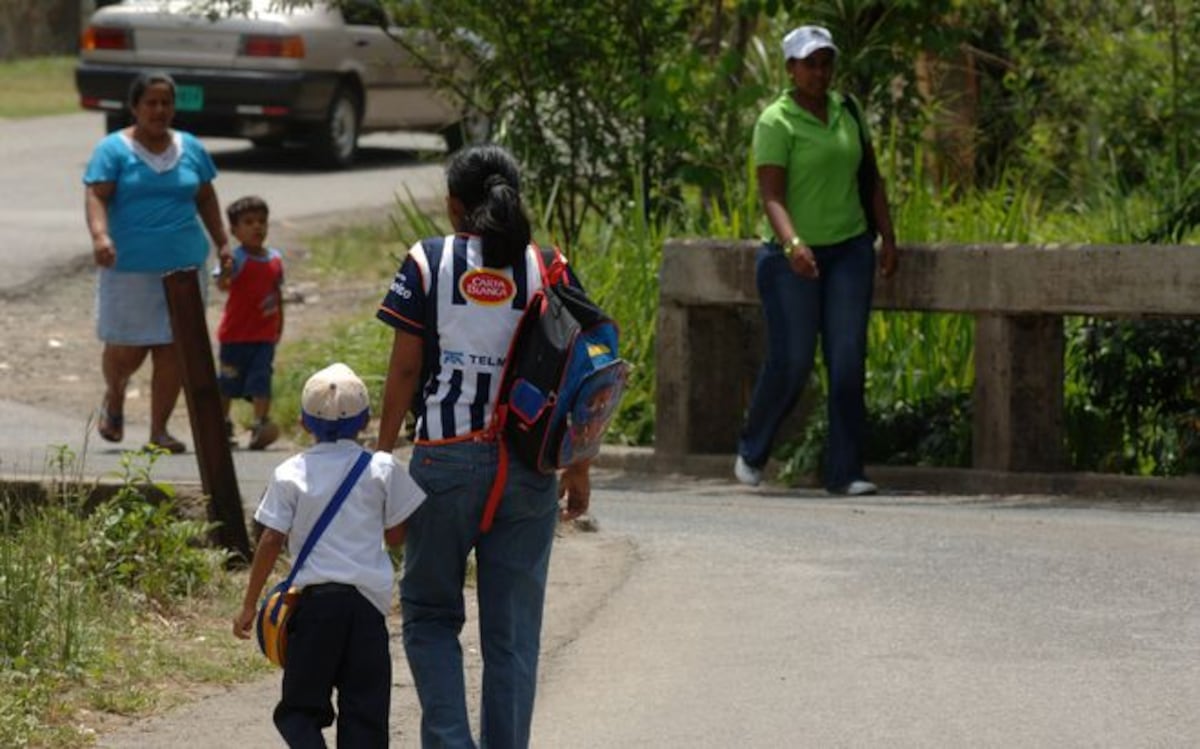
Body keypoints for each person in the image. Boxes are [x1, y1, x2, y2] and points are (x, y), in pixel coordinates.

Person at [376, 144, 591, 748]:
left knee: (429, 615)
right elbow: (580, 370)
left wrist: (381, 458)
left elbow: (403, 371)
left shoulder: (428, 261)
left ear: (453, 207)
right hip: (529, 469)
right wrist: (579, 465)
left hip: (444, 461)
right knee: (514, 636)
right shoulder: (550, 266)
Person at [734, 25, 899, 495]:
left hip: (849, 248)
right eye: (809, 63)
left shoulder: (848, 111)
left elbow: (871, 179)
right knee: (793, 359)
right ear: (790, 68)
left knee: (847, 360)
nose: (819, 72)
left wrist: (887, 236)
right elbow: (771, 194)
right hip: (791, 257)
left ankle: (845, 471)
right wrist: (792, 245)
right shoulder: (776, 120)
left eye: (826, 62)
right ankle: (752, 447)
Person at [232, 362, 425, 747]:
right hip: (367, 609)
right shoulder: (383, 469)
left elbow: (271, 539)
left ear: (304, 423)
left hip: (315, 609)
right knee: (366, 714)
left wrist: (250, 605)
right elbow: (398, 533)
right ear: (365, 421)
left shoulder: (290, 473)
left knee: (300, 709)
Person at [83, 71, 232, 454]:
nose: (159, 110)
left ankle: (158, 431)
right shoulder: (113, 150)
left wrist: (223, 244)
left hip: (183, 269)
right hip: (129, 269)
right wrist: (101, 236)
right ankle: (114, 397)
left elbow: (205, 197)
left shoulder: (191, 148)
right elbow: (97, 196)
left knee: (174, 350)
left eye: (166, 102)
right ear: (134, 107)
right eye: (151, 102)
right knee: (127, 350)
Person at [214, 195, 284, 450]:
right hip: (234, 336)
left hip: (263, 337)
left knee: (261, 380)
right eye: (249, 222)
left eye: (262, 221)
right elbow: (222, 285)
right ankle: (221, 423)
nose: (257, 227)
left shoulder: (275, 259)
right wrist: (225, 270)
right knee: (228, 383)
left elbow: (277, 296)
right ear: (234, 230)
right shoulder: (236, 259)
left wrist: (279, 326)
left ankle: (260, 424)